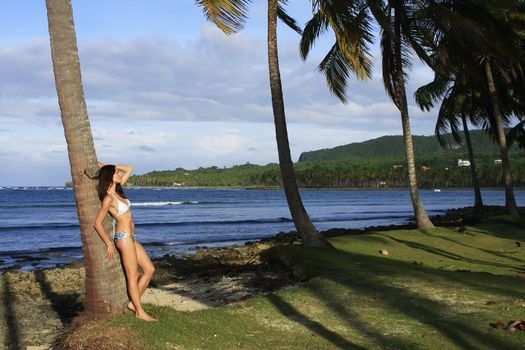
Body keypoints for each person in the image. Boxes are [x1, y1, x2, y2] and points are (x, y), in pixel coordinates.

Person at [93, 162, 157, 322]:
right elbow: (97, 223)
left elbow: (129, 169)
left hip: (131, 237)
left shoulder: (118, 191)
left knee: (149, 269)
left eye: (117, 172)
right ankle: (139, 311)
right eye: (115, 173)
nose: (119, 174)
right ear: (109, 177)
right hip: (123, 238)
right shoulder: (108, 198)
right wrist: (108, 243)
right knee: (133, 275)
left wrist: (109, 165)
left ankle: (132, 304)